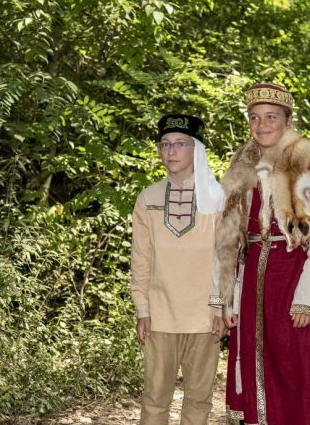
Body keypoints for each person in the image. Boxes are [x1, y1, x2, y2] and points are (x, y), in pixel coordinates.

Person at [209, 83, 310, 425]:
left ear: (288, 121)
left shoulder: (308, 172)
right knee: (257, 380)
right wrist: (224, 301)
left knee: (295, 374)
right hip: (250, 287)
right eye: (254, 117)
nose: (262, 125)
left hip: (291, 285)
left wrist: (307, 301)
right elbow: (226, 243)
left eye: (271, 117)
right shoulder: (239, 173)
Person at [130, 114, 227, 425]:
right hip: (160, 315)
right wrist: (143, 309)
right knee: (154, 399)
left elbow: (226, 259)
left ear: (197, 149)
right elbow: (141, 258)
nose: (171, 151)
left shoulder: (219, 198)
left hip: (205, 317)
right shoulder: (148, 199)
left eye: (180, 144)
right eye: (165, 144)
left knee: (199, 400)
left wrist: (220, 308)